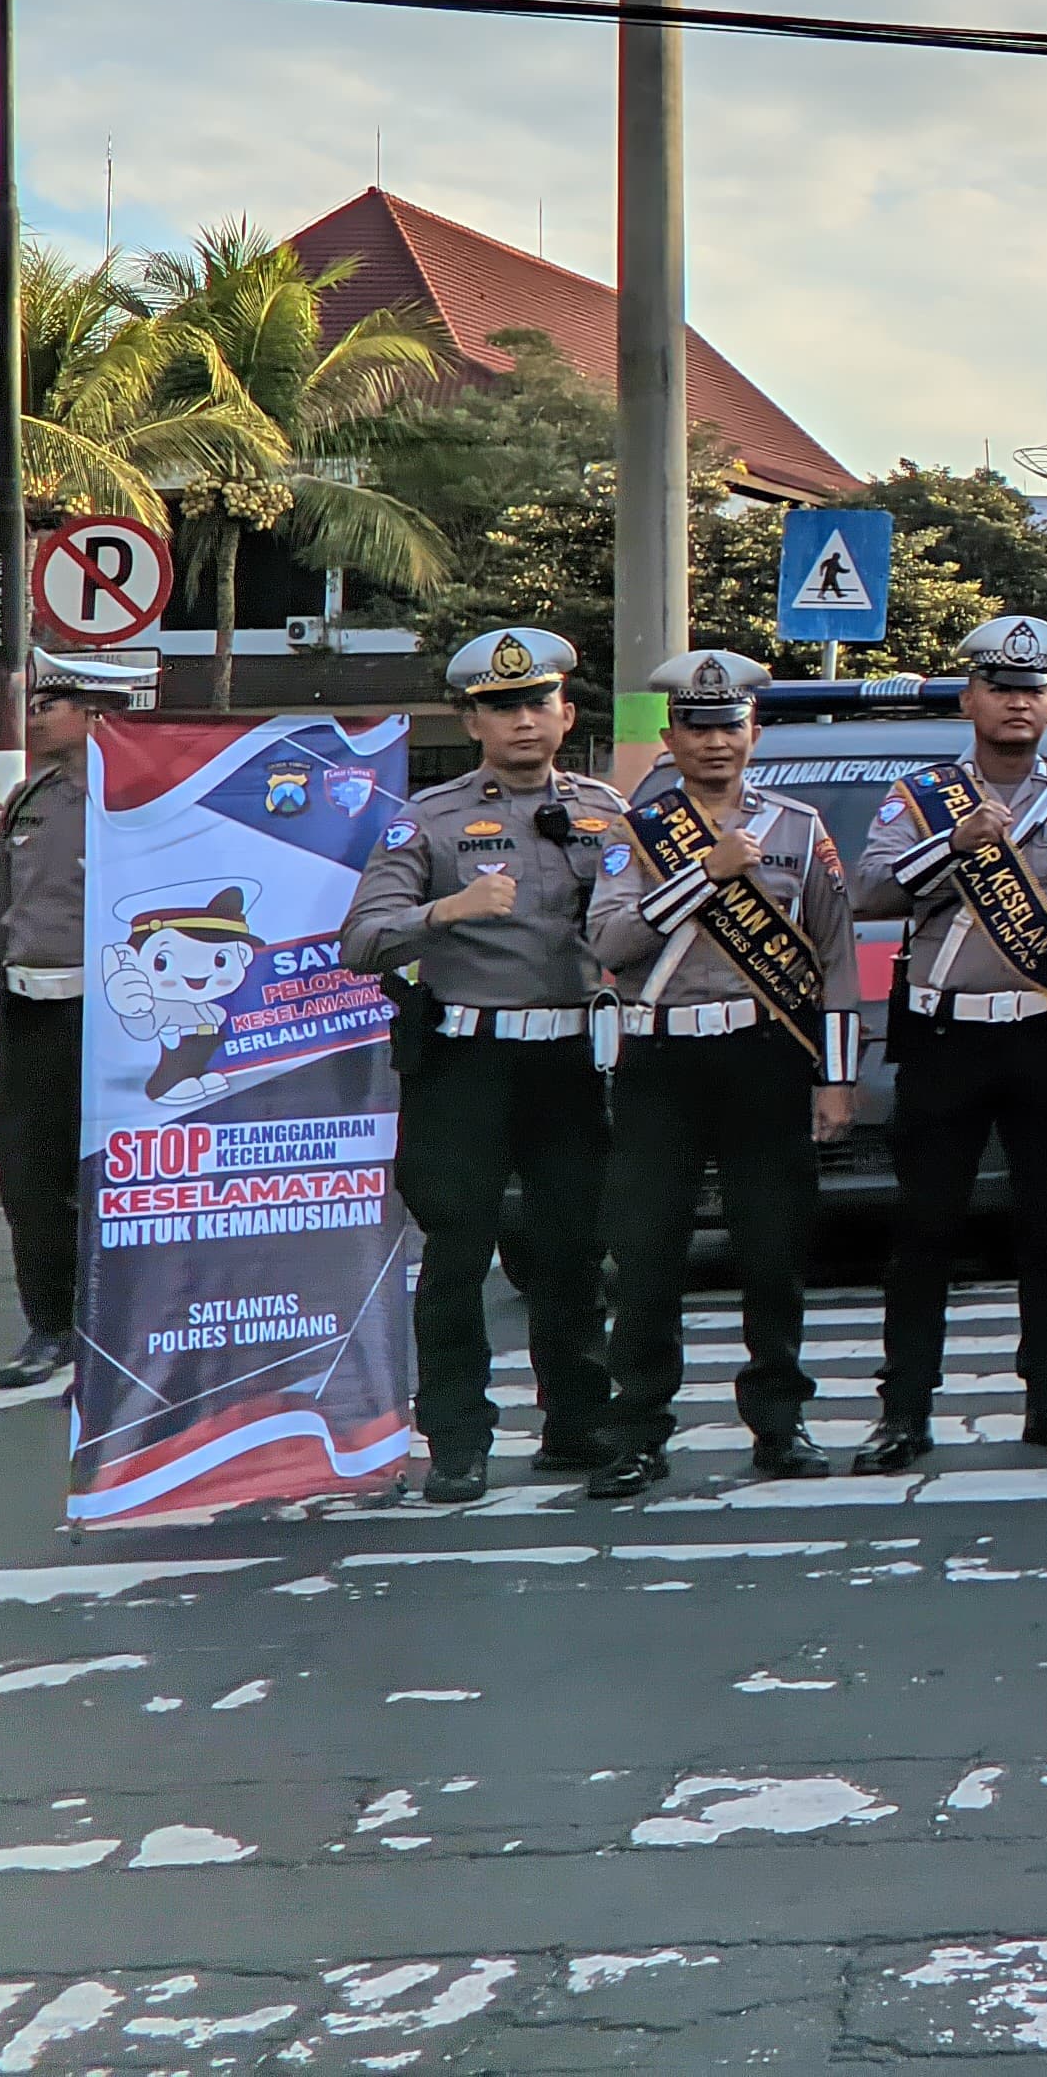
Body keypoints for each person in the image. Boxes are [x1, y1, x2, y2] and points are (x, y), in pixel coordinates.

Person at [851, 614, 1047, 1475]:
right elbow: (871, 890)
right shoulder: (921, 798)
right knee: (924, 1233)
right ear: (969, 698)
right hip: (946, 1040)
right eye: (1002, 688)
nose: (1019, 703)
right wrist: (952, 847)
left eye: (1034, 690)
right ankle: (903, 1412)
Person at [337, 628, 634, 1505]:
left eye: (538, 703)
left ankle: (577, 1424)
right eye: (502, 708)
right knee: (458, 1256)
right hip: (466, 1064)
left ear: (566, 713)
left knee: (573, 1253)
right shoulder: (424, 820)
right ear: (472, 722)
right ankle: (457, 1440)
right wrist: (447, 910)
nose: (523, 722)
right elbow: (359, 940)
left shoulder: (606, 813)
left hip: (573, 1063)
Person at [580, 650, 855, 1498]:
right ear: (672, 736)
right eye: (696, 728)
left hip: (764, 1055)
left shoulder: (800, 829)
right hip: (660, 1058)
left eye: (728, 727)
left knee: (773, 1251)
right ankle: (638, 1432)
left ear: (754, 734)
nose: (713, 743)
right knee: (649, 1251)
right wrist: (706, 874)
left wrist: (834, 1078)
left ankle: (780, 1422)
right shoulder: (635, 830)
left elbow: (835, 962)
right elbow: (611, 943)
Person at [0, 648, 154, 1390]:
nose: (36, 716)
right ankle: (50, 1328)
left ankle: (129, 1325)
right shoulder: (29, 798)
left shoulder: (148, 799)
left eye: (49, 705)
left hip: (114, 1019)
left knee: (119, 1179)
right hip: (29, 1013)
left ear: (96, 717)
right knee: (26, 1174)